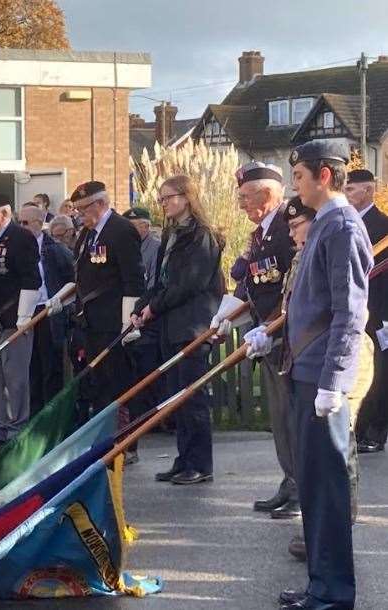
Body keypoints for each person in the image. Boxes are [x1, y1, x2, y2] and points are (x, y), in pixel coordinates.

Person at [246, 140, 370, 610]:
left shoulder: (341, 226)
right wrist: (270, 335)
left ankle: (334, 592)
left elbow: (348, 312)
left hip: (322, 379)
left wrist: (335, 380)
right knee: (315, 488)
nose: (293, 184)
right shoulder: (324, 226)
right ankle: (320, 584)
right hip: (305, 372)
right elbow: (307, 303)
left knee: (328, 490)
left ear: (323, 174)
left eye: (297, 175)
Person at [132, 175, 224, 485]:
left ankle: (200, 463)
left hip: (193, 325)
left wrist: (154, 307)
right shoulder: (171, 234)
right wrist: (142, 307)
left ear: (186, 198)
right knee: (176, 397)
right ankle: (183, 458)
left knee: (192, 397)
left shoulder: (201, 235)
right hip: (171, 326)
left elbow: (189, 283)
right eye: (160, 199)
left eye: (169, 197)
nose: (164, 204)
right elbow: (159, 280)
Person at [226, 161, 300, 517]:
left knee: (291, 416)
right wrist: (229, 315)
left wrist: (271, 328)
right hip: (265, 336)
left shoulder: (289, 228)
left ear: (267, 195)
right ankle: (289, 481)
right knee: (279, 418)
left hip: (285, 338)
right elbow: (249, 280)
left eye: (244, 197)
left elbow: (291, 289)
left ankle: (301, 489)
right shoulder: (261, 234)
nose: (240, 204)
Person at [52, 181, 144, 425]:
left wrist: (129, 322)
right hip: (90, 321)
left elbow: (133, 279)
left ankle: (125, 441)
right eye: (77, 209)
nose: (79, 214)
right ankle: (104, 437)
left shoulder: (121, 230)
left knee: (119, 381)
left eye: (83, 208)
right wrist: (60, 298)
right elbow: (81, 276)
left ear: (101, 203)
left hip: (114, 320)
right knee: (98, 382)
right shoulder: (86, 234)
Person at [0, 194, 41, 451]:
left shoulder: (21, 238)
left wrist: (24, 319)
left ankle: (18, 430)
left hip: (13, 319)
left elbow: (31, 279)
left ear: (4, 214)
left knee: (15, 378)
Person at [344, 168, 388, 454]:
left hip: (378, 309)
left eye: (351, 189)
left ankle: (375, 431)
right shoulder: (345, 223)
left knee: (380, 374)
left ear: (368, 191)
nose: (346, 195)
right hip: (353, 309)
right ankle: (357, 428)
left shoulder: (383, 226)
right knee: (357, 370)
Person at [19, 204, 74, 416]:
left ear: (37, 223)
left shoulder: (56, 250)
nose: (21, 227)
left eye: (25, 223)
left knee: (51, 368)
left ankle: (52, 416)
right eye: (19, 222)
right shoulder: (19, 248)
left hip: (50, 313)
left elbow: (72, 280)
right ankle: (34, 416)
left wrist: (60, 300)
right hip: (27, 312)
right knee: (32, 368)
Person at [121, 205, 163, 462]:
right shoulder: (130, 245)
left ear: (145, 226)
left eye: (134, 225)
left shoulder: (154, 247)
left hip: (150, 317)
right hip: (133, 314)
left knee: (147, 371)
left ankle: (152, 419)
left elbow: (151, 281)